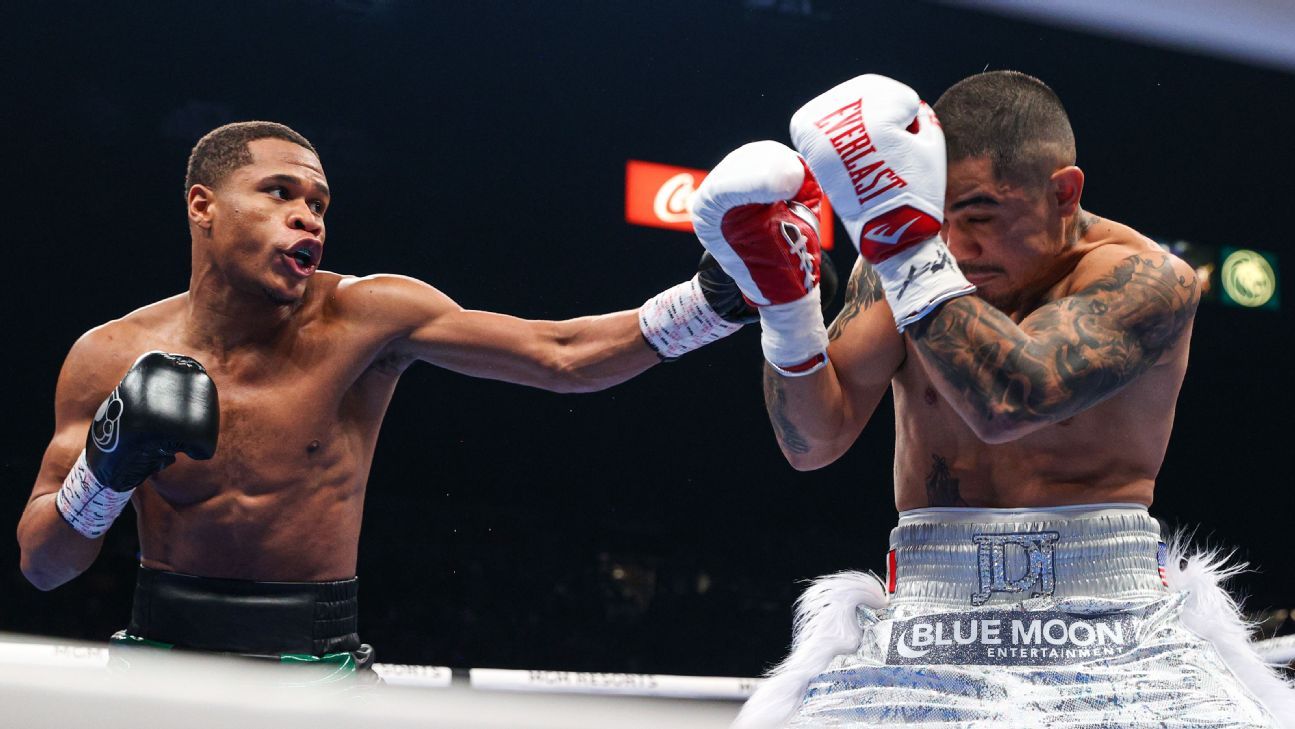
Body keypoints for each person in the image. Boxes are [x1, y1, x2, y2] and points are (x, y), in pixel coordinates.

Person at [15, 121, 776, 676]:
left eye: (318, 201)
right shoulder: (109, 354)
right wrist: (104, 472)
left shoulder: (365, 317)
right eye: (279, 192)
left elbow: (560, 355)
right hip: (161, 658)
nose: (307, 214)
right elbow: (43, 566)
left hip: (316, 660)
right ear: (202, 205)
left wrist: (711, 302)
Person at [690, 72, 1295, 726]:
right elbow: (811, 442)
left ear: (1062, 193)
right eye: (936, 218)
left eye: (979, 217)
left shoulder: (1144, 278)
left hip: (1114, 617)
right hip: (928, 609)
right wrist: (787, 317)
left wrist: (902, 242)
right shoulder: (900, 264)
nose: (954, 246)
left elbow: (1014, 399)